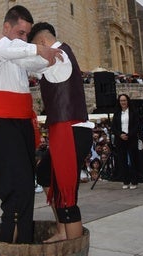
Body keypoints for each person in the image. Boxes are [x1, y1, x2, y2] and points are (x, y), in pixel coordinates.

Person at [0, 5, 61, 244]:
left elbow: (33, 62)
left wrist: (52, 57)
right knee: (15, 189)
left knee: (26, 187)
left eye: (28, 34)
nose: (25, 38)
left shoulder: (16, 51)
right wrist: (39, 48)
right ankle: (11, 245)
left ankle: (22, 242)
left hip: (22, 123)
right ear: (6, 27)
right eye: (21, 32)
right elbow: (8, 48)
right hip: (1, 124)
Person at [28, 22, 93, 241]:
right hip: (67, 130)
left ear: (43, 42)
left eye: (38, 46)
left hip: (71, 131)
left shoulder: (58, 57)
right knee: (45, 173)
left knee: (67, 193)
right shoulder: (60, 56)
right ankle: (62, 230)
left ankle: (72, 245)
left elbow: (32, 65)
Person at [111, 94, 140, 189]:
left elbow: (137, 125)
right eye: (121, 101)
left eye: (124, 100)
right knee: (122, 160)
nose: (123, 102)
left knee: (133, 160)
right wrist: (120, 135)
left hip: (131, 138)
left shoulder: (133, 112)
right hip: (120, 138)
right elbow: (113, 127)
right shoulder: (117, 113)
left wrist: (129, 135)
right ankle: (126, 181)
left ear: (128, 101)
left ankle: (134, 181)